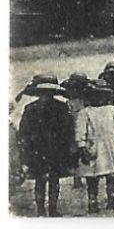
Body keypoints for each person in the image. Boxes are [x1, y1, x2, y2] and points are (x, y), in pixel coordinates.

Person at [18, 75, 74, 216]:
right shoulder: (59, 107)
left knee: (47, 179)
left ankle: (47, 209)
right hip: (47, 149)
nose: (45, 96)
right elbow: (24, 132)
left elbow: (67, 130)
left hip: (46, 149)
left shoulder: (32, 108)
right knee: (45, 179)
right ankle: (45, 209)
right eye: (44, 93)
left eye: (47, 93)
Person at [75, 80, 114, 213]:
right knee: (92, 176)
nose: (99, 98)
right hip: (93, 147)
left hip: (111, 146)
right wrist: (82, 147)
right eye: (95, 95)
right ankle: (92, 200)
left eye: (102, 95)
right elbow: (80, 132)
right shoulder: (85, 113)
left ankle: (112, 197)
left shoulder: (112, 110)